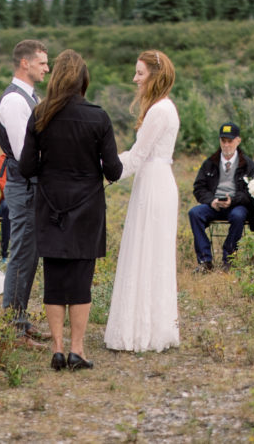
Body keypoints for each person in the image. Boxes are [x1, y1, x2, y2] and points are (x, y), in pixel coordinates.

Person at [19, 50, 122, 370]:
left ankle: (57, 349)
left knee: (54, 279)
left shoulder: (40, 114)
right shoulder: (98, 116)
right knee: (80, 280)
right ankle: (78, 349)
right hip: (87, 208)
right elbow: (114, 171)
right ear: (83, 79)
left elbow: (25, 167)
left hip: (50, 206)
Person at [105, 49, 180, 353]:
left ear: (154, 76)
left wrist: (101, 172)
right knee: (150, 252)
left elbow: (136, 157)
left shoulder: (160, 111)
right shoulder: (164, 108)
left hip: (153, 184)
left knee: (148, 252)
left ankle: (143, 330)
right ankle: (150, 324)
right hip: (154, 181)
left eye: (140, 73)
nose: (134, 79)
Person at [0, 39, 51, 343]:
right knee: (22, 252)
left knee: (30, 254)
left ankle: (20, 317)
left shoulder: (29, 97)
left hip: (28, 184)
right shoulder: (16, 101)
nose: (47, 67)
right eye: (42, 62)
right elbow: (24, 153)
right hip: (23, 184)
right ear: (25, 63)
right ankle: (12, 323)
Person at [188, 122, 254, 272]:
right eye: (223, 141)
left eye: (230, 141)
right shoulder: (210, 163)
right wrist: (211, 201)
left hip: (237, 205)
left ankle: (229, 257)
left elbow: (252, 192)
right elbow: (198, 188)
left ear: (238, 141)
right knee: (194, 213)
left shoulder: (248, 165)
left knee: (238, 216)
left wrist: (233, 200)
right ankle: (204, 260)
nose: (226, 145)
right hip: (214, 204)